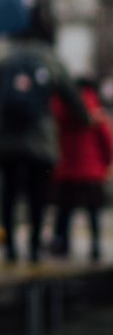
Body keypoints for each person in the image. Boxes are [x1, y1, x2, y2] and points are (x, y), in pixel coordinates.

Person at [0, 9, 86, 263]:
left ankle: (9, 247)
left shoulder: (2, 53)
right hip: (39, 135)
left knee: (8, 189)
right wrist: (84, 118)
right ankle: (35, 244)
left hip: (4, 135)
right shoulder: (48, 56)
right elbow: (70, 93)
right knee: (38, 192)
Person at [50, 77, 111, 261]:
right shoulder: (96, 111)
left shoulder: (59, 109)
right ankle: (95, 246)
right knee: (93, 211)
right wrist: (105, 165)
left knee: (64, 211)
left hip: (66, 170)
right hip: (91, 172)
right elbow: (107, 143)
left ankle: (61, 243)